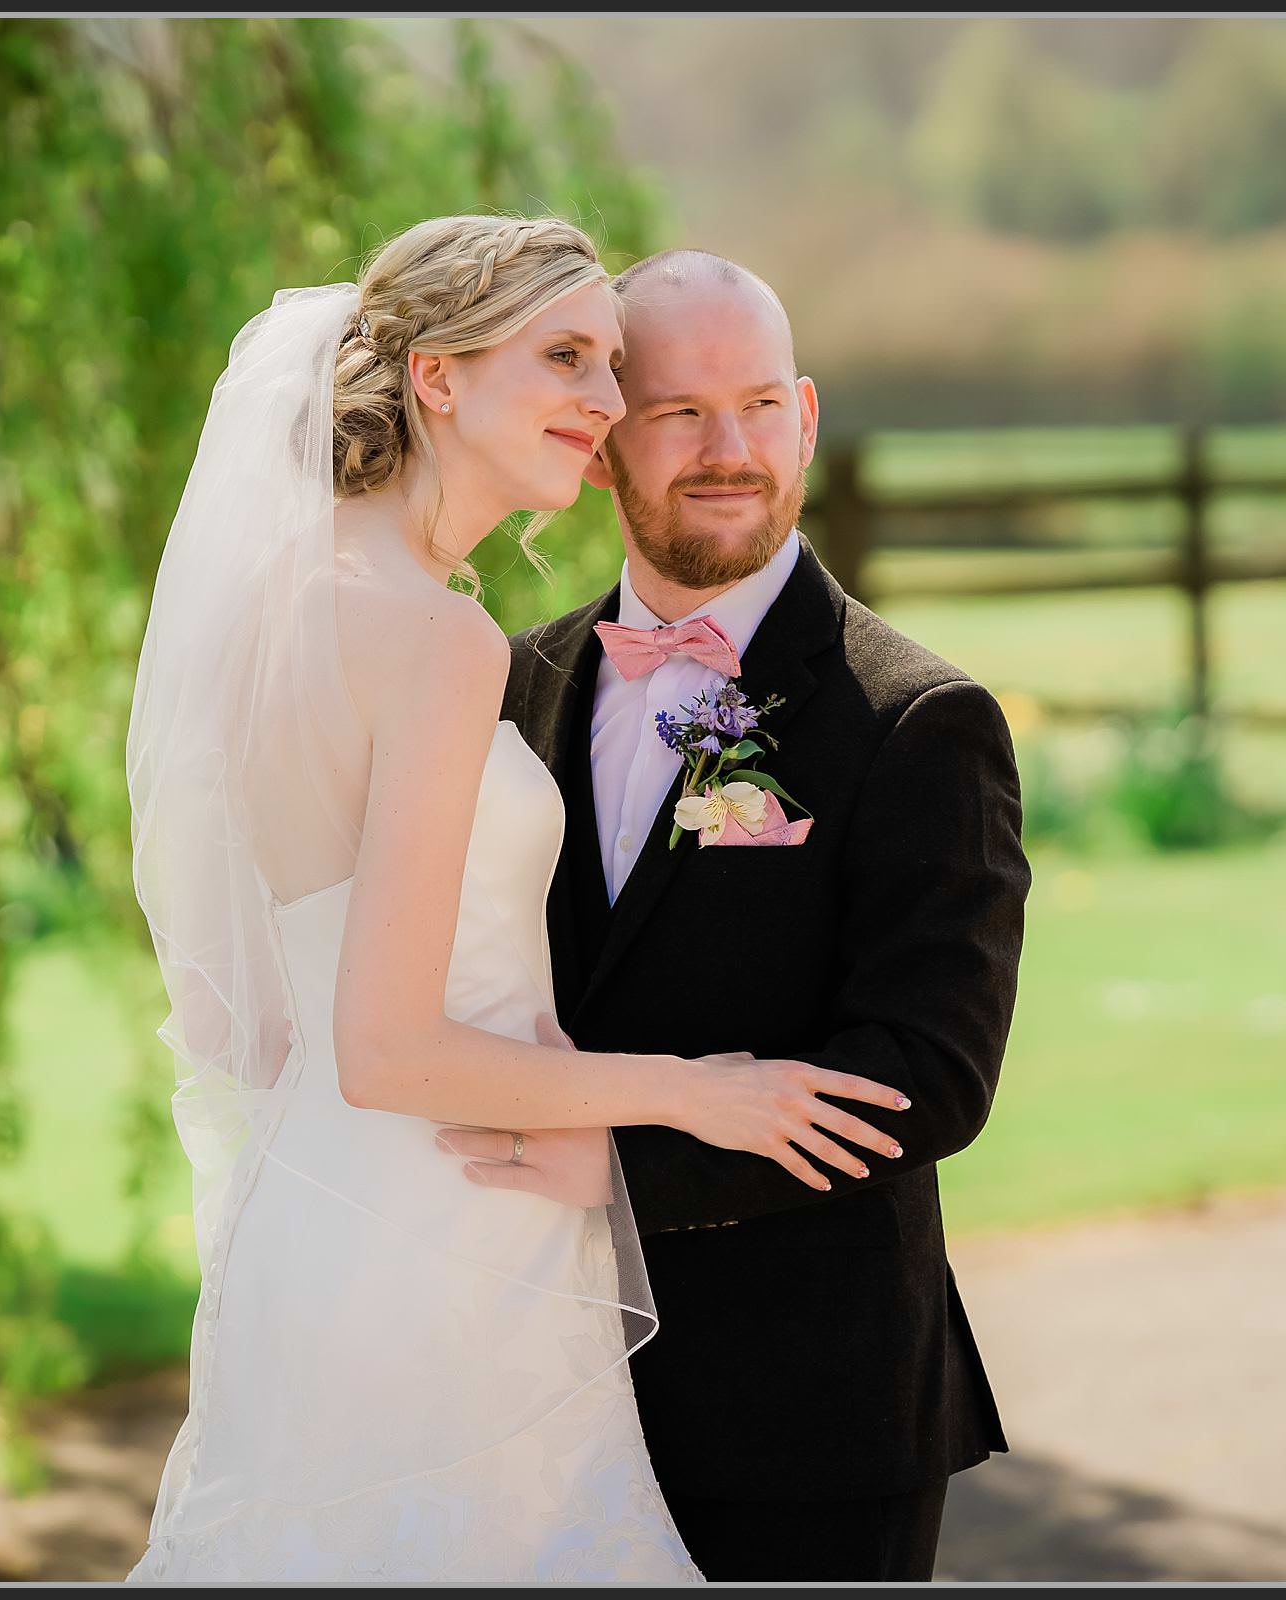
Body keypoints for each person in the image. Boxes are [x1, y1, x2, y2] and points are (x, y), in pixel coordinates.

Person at [122, 217, 913, 1582]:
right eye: (567, 358)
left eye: (612, 367)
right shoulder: (434, 637)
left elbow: (245, 1023)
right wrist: (687, 1090)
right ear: (437, 377)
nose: (605, 407)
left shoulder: (280, 601)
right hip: (451, 1242)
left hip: (314, 1230)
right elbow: (394, 1053)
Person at [450, 249, 1031, 1581]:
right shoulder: (508, 685)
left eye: (762, 405)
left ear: (810, 417)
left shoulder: (916, 721)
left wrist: (615, 1176)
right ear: (601, 442)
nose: (731, 449)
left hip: (807, 1422)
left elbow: (928, 1076)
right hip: (535, 1399)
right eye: (680, 412)